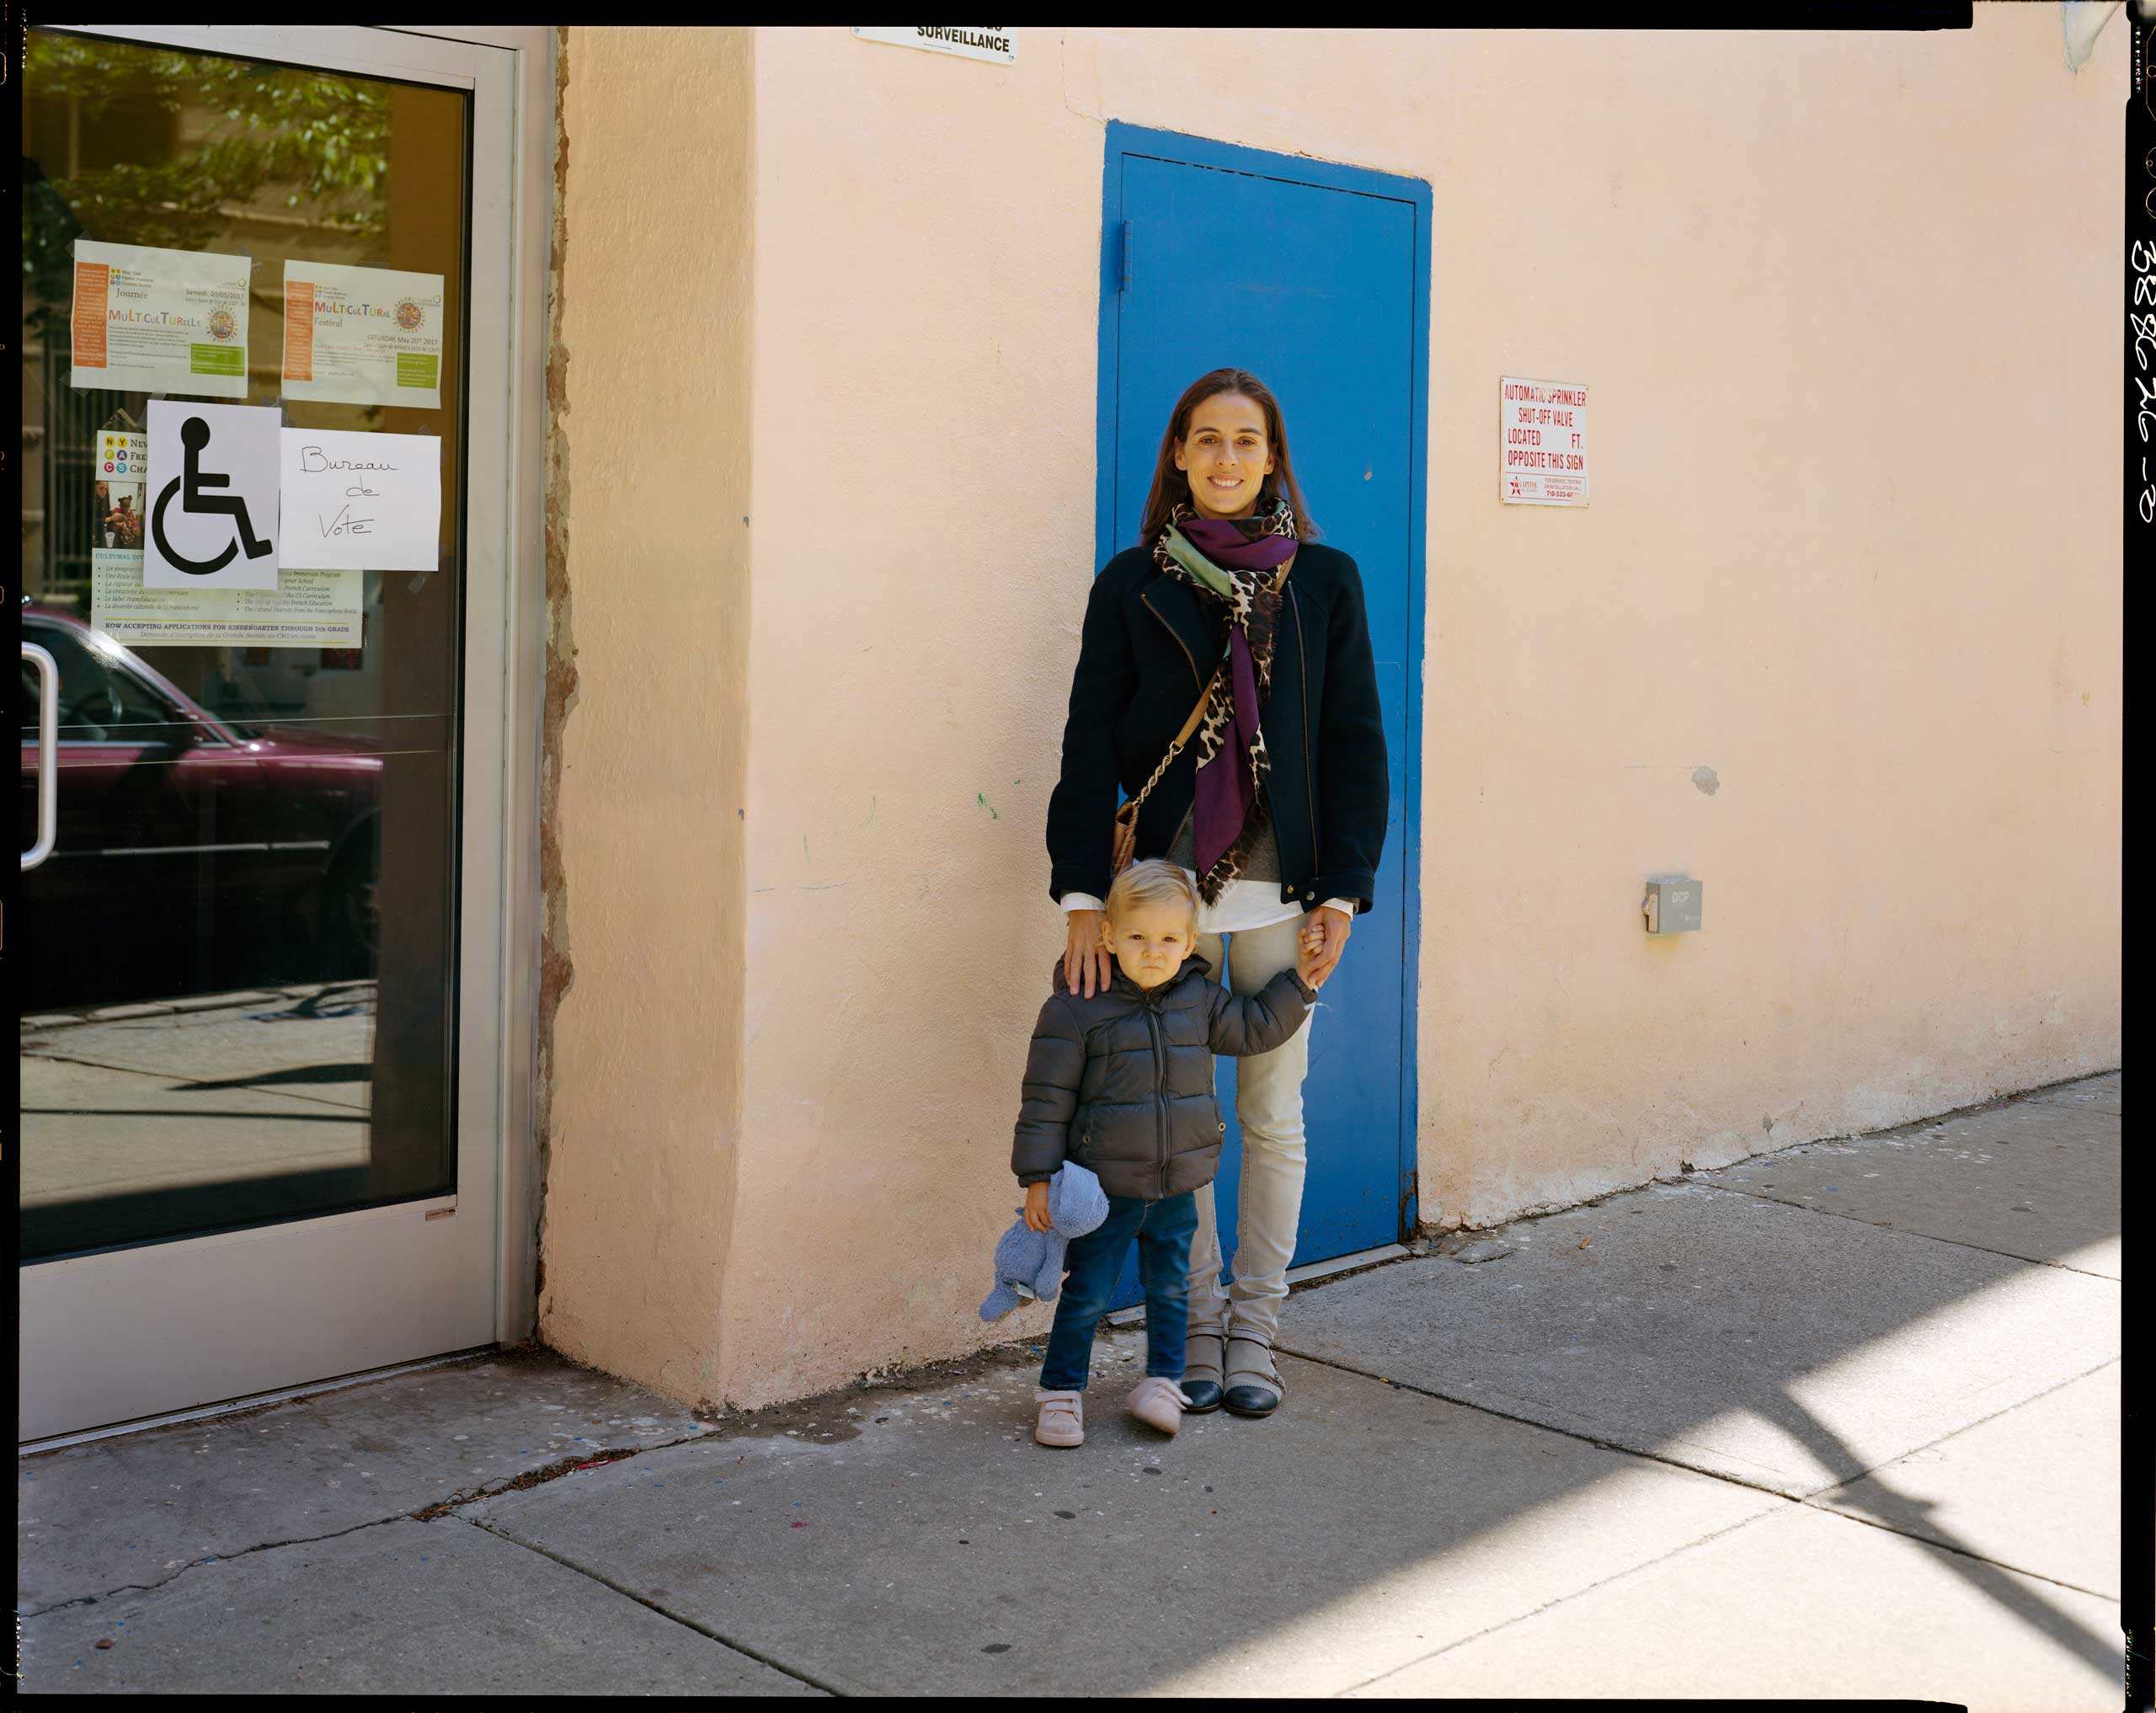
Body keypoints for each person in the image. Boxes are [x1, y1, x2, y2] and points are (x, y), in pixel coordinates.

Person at [1045, 367, 1389, 1419]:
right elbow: (1087, 740)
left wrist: (1344, 894)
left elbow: (1353, 744)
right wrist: (1079, 901)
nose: (1227, 459)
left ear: (1273, 456)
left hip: (1284, 905)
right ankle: (1185, 1330)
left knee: (1273, 1119)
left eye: (1247, 441)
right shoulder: (1131, 581)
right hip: (1164, 914)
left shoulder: (1324, 582)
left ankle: (1255, 1331)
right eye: (1207, 440)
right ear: (1180, 458)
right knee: (1176, 1132)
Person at [1011, 859, 1315, 1448]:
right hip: (1107, 1191)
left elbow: (1253, 1029)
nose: (1154, 952)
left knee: (1172, 1290)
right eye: (1138, 937)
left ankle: (1162, 1384)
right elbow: (1045, 1100)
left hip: (1179, 1183)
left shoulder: (1199, 998)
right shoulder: (1077, 1008)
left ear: (1189, 942)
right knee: (1089, 1293)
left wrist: (1299, 985)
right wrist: (1038, 1177)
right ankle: (1060, 1393)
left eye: (1171, 939)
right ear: (1107, 937)